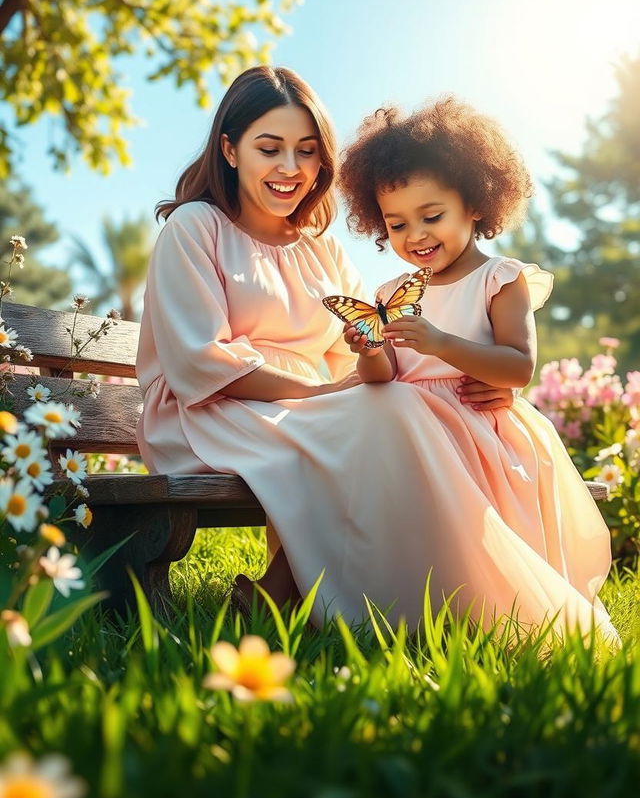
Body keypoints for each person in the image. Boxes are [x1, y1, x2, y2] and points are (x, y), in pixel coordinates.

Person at [135, 66, 520, 627]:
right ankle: (311, 600)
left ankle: (432, 602)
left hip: (308, 408)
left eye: (307, 151)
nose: (290, 168)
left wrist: (473, 380)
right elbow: (200, 362)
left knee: (402, 410)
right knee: (365, 423)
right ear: (230, 149)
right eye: (270, 148)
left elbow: (375, 351)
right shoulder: (196, 228)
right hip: (210, 412)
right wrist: (321, 391)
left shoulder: (322, 250)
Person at [337, 97, 619, 643]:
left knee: (483, 552)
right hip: (410, 428)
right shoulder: (390, 293)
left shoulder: (500, 279)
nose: (415, 235)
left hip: (476, 426)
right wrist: (368, 350)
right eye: (396, 224)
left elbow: (519, 367)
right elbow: (382, 378)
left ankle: (490, 611)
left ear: (475, 203)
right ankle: (398, 605)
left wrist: (442, 343)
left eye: (431, 216)